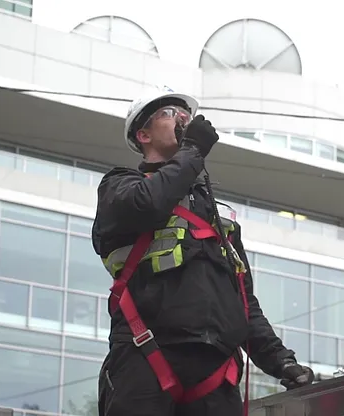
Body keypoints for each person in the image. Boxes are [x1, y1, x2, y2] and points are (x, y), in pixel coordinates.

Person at [92, 87, 314, 416]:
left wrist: (280, 361)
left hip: (215, 374)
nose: (182, 118)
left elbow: (243, 302)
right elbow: (149, 203)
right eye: (169, 113)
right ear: (143, 135)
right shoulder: (120, 187)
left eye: (186, 114)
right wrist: (193, 149)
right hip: (145, 357)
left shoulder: (217, 219)